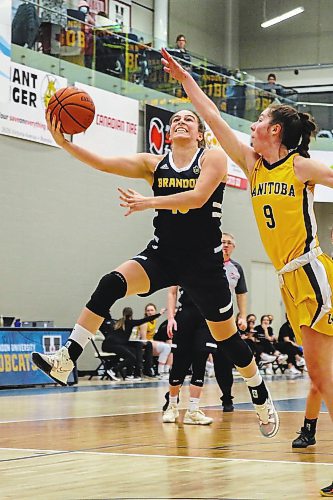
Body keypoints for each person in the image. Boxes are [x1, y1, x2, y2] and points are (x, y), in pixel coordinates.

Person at [32, 107, 279, 439]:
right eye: (175, 119)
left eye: (188, 119)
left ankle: (259, 391)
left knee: (228, 340)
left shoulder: (214, 157)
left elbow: (197, 197)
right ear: (168, 131)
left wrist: (148, 202)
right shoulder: (154, 164)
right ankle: (67, 358)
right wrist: (64, 143)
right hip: (164, 255)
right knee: (111, 283)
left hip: (205, 264)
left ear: (199, 132)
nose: (180, 122)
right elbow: (103, 163)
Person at [160, 48, 333, 496]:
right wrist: (185, 80)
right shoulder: (253, 165)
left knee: (322, 376)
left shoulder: (300, 167)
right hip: (288, 280)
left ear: (275, 130)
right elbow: (212, 116)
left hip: (311, 273)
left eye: (258, 121)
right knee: (319, 376)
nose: (251, 126)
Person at [162, 286, 215, 425]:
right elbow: (172, 292)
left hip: (206, 317)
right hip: (185, 315)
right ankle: (172, 407)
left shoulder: (213, 266)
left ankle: (193, 410)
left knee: (200, 359)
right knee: (179, 363)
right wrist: (170, 318)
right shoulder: (180, 265)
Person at [212, 231, 248, 412]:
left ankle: (227, 397)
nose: (225, 245)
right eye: (222, 242)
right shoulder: (208, 264)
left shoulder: (236, 268)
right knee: (196, 356)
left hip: (226, 321)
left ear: (233, 247)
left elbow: (241, 293)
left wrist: (242, 316)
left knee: (223, 360)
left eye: (228, 243)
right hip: (202, 319)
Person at [100, 306, 158, 380]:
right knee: (132, 357)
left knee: (133, 353)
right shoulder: (129, 322)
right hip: (112, 345)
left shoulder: (117, 322)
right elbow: (144, 320)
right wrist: (158, 314)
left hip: (108, 345)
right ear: (131, 314)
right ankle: (113, 370)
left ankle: (129, 374)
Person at [138, 303, 171, 377]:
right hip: (145, 344)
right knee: (166, 347)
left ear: (155, 311)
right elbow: (143, 340)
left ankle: (165, 370)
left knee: (169, 347)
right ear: (145, 312)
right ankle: (161, 371)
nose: (150, 312)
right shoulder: (144, 323)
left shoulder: (154, 321)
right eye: (148, 310)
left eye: (152, 310)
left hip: (151, 342)